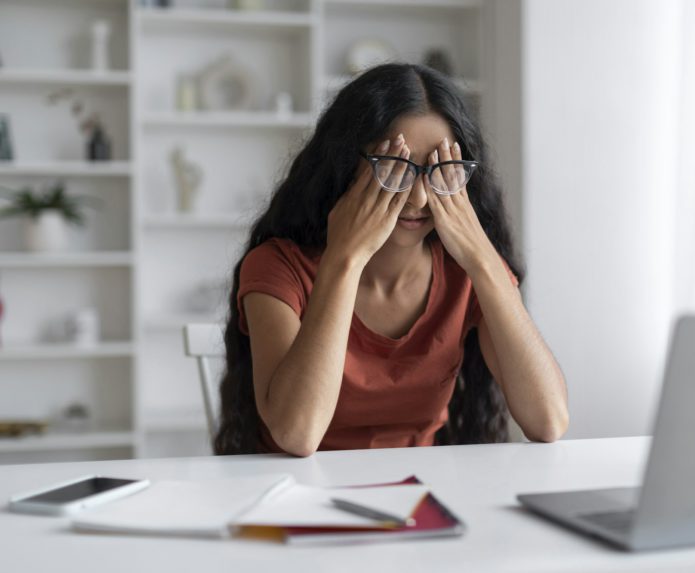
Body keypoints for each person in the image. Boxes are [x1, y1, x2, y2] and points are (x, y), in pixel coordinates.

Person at [215, 63, 568, 456]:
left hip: (415, 492)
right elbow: (298, 434)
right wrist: (344, 259)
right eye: (394, 168)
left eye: (441, 170)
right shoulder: (279, 266)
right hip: (293, 493)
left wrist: (483, 258)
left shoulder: (467, 272)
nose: (418, 199)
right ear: (347, 166)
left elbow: (548, 420)